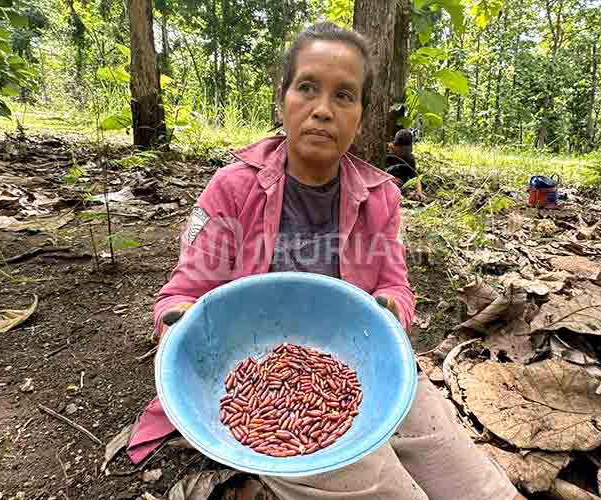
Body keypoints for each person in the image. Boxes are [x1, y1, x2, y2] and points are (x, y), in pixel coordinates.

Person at [127, 22, 524, 500]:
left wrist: (391, 310)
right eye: (308, 88)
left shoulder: (380, 197)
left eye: (344, 96)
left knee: (458, 464)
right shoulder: (232, 189)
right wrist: (183, 324)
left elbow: (396, 287)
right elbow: (181, 295)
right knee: (380, 481)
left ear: (361, 115)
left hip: (357, 360)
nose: (322, 110)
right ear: (283, 98)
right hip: (248, 360)